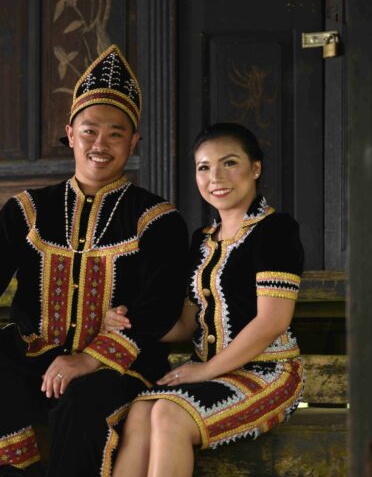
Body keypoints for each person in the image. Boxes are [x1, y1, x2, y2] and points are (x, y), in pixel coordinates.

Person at [0, 45, 188, 477]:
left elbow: (159, 307)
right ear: (70, 133)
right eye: (89, 131)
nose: (100, 144)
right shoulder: (28, 209)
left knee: (82, 403)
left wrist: (88, 360)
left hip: (115, 371)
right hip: (35, 363)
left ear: (134, 142)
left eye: (116, 133)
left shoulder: (157, 218)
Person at [105, 122, 305, 477]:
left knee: (167, 414)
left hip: (267, 372)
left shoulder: (276, 230)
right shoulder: (202, 239)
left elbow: (272, 321)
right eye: (204, 167)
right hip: (209, 376)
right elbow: (187, 323)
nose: (216, 177)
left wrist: (206, 370)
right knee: (139, 411)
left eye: (229, 163)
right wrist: (126, 322)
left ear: (255, 168)